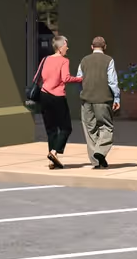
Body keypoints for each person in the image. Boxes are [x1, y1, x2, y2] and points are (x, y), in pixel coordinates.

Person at [36, 35, 82, 170]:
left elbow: (40, 77)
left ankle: (52, 161)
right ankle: (54, 152)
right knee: (66, 128)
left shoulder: (45, 59)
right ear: (61, 47)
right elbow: (66, 78)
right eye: (66, 45)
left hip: (44, 95)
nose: (67, 48)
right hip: (57, 97)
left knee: (51, 130)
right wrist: (80, 79)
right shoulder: (64, 61)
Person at [78, 35, 122, 169]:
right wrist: (117, 98)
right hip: (103, 99)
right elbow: (112, 81)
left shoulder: (84, 60)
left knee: (90, 129)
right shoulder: (108, 60)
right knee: (106, 127)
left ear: (92, 47)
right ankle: (100, 152)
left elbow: (79, 78)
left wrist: (84, 91)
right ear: (105, 47)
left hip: (87, 99)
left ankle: (96, 161)